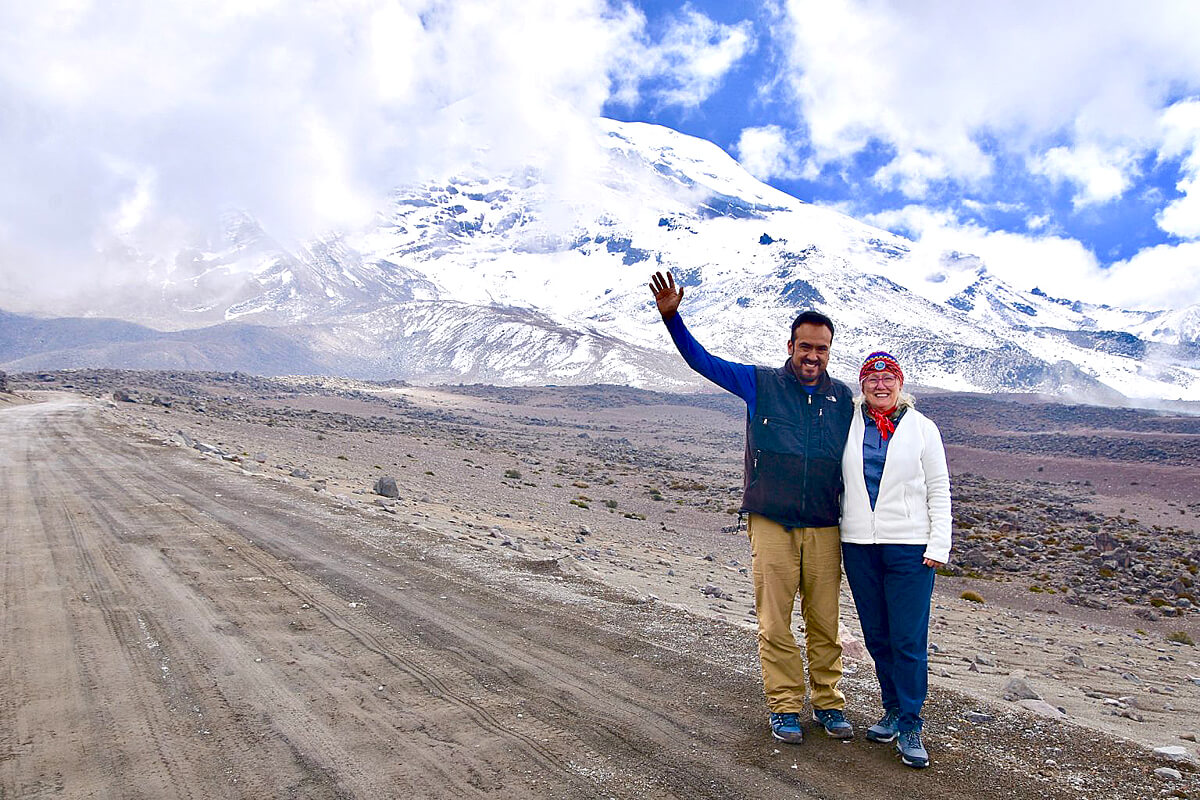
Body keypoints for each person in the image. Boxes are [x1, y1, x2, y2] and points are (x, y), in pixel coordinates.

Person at [648, 270, 855, 745]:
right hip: (771, 520)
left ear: (829, 352)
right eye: (806, 346)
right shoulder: (759, 383)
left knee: (825, 621)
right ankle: (785, 707)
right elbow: (703, 362)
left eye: (821, 349)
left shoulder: (842, 398)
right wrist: (673, 320)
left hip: (825, 523)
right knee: (775, 620)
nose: (813, 356)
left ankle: (828, 703)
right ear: (791, 346)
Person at [839, 351, 952, 769]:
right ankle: (890, 709)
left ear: (900, 385)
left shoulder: (924, 430)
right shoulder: (847, 424)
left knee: (907, 638)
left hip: (909, 547)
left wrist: (939, 544)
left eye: (888, 380)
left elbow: (939, 488)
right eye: (872, 379)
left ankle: (910, 722)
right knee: (877, 636)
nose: (880, 386)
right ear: (862, 385)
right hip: (859, 545)